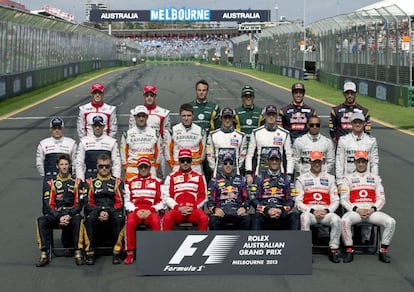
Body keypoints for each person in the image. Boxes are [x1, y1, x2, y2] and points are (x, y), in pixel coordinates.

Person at [340, 150, 396, 263]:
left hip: (371, 212)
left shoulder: (376, 178)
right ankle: (349, 250)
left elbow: (381, 198)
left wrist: (373, 209)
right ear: (355, 163)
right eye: (359, 162)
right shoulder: (347, 178)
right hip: (356, 211)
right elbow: (344, 199)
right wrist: (357, 209)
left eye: (363, 162)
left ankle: (383, 250)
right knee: (344, 220)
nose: (361, 164)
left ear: (367, 163)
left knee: (391, 222)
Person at [35, 154, 84, 267]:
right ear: (57, 166)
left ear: (70, 165)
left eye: (66, 164)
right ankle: (44, 254)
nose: (64, 167)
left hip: (71, 214)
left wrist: (69, 215)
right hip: (56, 214)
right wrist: (58, 216)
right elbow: (48, 205)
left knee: (79, 219)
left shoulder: (77, 182)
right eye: (62, 164)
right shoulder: (50, 183)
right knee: (41, 220)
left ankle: (78, 252)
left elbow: (79, 204)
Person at [295, 151, 341, 263]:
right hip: (310, 212)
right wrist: (312, 211)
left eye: (319, 162)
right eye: (314, 161)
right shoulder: (301, 179)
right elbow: (298, 201)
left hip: (325, 212)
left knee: (337, 219)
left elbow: (336, 200)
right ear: (309, 162)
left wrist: (326, 210)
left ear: (323, 162)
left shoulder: (330, 178)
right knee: (303, 218)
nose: (317, 164)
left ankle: (334, 249)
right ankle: (306, 251)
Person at [83, 154, 125, 265]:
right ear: (97, 167)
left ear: (111, 167)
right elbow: (87, 203)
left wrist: (108, 211)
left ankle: (117, 252)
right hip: (95, 211)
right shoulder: (89, 182)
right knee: (89, 219)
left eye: (106, 166)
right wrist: (99, 211)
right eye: (101, 166)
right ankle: (90, 252)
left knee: (120, 218)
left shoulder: (118, 182)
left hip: (112, 211)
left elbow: (120, 203)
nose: (104, 169)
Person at [123, 156, 164, 265]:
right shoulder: (129, 182)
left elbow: (163, 202)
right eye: (141, 167)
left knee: (156, 221)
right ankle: (130, 252)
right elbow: (126, 201)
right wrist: (136, 210)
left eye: (145, 167)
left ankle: (157, 252)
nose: (143, 169)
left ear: (150, 168)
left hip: (151, 211)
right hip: (136, 211)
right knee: (130, 221)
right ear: (138, 168)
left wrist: (151, 209)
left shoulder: (158, 182)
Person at [250, 149, 298, 230]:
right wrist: (266, 210)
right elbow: (253, 198)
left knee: (295, 216)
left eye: (277, 160)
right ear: (268, 161)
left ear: (280, 161)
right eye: (272, 159)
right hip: (264, 211)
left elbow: (292, 199)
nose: (274, 162)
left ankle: (295, 242)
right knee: (256, 217)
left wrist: (281, 210)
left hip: (282, 211)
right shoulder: (259, 177)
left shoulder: (287, 178)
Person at [128, 85, 170, 178]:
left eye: (152, 95)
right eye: (147, 95)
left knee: (159, 178)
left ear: (155, 96)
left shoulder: (163, 113)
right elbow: (130, 134)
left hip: (156, 152)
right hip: (138, 151)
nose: (149, 98)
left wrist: (163, 151)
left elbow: (166, 135)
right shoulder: (134, 113)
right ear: (144, 96)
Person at [245, 104, 294, 185]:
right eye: (269, 115)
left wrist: (289, 174)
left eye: (273, 115)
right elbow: (249, 155)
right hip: (260, 175)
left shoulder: (284, 133)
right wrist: (249, 173)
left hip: (279, 175)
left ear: (277, 116)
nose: (271, 117)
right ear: (265, 116)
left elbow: (290, 156)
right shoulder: (256, 132)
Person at [162, 149, 209, 231]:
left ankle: (202, 243)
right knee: (167, 218)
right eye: (182, 160)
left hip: (193, 209)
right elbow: (167, 197)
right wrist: (177, 207)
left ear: (191, 162)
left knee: (204, 218)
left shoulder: (199, 176)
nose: (185, 163)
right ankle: (167, 243)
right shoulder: (171, 177)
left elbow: (203, 196)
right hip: (178, 209)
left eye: (188, 160)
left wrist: (193, 207)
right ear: (179, 162)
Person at [207, 153, 250, 230]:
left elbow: (247, 199)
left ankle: (243, 241)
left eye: (230, 163)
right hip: (221, 211)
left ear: (234, 165)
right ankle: (217, 242)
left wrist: (244, 207)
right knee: (213, 220)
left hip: (237, 211)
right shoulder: (214, 180)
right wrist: (214, 209)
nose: (228, 165)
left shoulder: (241, 179)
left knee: (247, 219)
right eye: (225, 163)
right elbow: (210, 201)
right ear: (221, 165)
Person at [335, 112, 379, 187]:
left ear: (364, 123)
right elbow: (339, 162)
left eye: (360, 122)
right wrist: (339, 181)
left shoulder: (371, 141)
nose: (357, 124)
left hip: (366, 181)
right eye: (355, 122)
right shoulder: (343, 140)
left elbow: (374, 163)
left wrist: (375, 180)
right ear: (351, 123)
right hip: (348, 181)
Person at [120, 105, 162, 180]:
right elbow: (123, 154)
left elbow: (159, 153)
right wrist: (126, 167)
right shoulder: (127, 134)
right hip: (132, 169)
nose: (141, 119)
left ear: (147, 117)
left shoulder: (156, 133)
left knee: (151, 191)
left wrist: (154, 166)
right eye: (139, 116)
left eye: (143, 116)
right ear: (135, 117)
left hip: (149, 168)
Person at [190, 79, 221, 181]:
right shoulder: (189, 107)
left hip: (209, 147)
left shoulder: (215, 107)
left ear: (207, 91)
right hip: (194, 146)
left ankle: (209, 193)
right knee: (193, 174)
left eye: (204, 90)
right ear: (196, 91)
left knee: (210, 173)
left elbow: (218, 130)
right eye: (199, 90)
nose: (201, 92)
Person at [76, 115, 121, 181]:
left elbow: (116, 164)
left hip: (107, 177)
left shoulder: (111, 142)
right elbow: (79, 163)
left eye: (99, 126)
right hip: (89, 178)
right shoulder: (84, 142)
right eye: (95, 125)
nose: (97, 128)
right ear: (92, 126)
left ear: (103, 126)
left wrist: (116, 181)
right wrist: (80, 181)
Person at [165, 103, 206, 173]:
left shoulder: (200, 130)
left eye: (189, 116)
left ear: (193, 115)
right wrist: (173, 165)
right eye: (184, 116)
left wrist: (197, 163)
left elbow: (203, 151)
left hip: (195, 167)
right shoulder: (173, 130)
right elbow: (168, 151)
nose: (186, 118)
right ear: (180, 116)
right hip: (178, 167)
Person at [206, 107, 247, 177]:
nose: (227, 120)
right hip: (217, 173)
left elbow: (242, 155)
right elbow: (209, 154)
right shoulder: (213, 135)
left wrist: (237, 167)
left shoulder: (241, 135)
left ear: (233, 119)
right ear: (221, 119)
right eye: (225, 118)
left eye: (230, 118)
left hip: (235, 173)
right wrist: (213, 168)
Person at [234, 85, 263, 174]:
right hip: (241, 149)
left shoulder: (260, 112)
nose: (248, 98)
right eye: (246, 96)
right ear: (242, 98)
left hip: (255, 150)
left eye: (250, 96)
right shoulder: (236, 112)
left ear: (253, 97)